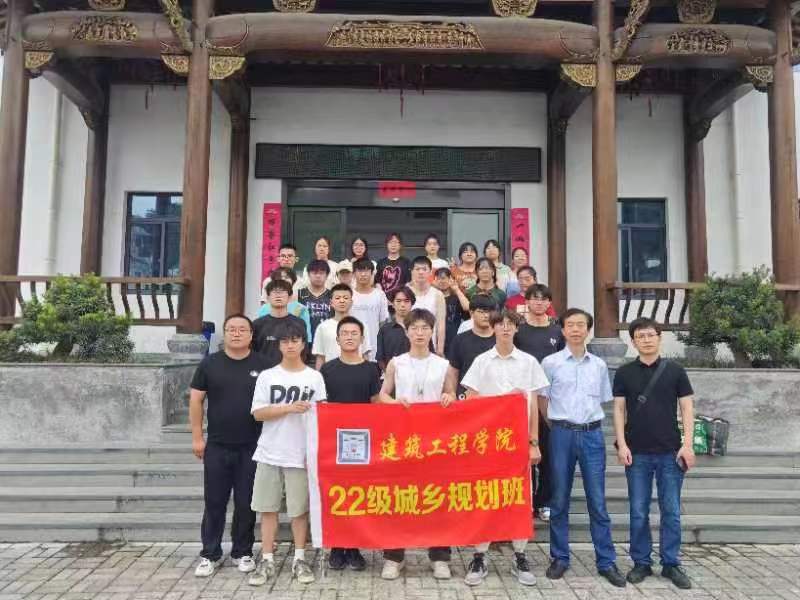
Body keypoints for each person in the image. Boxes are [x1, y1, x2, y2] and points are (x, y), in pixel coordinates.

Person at [460, 309, 549, 587]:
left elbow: (533, 406)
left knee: (520, 497)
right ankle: (479, 556)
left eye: (511, 324)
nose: (506, 329)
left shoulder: (529, 362)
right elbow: (471, 400)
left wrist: (533, 442)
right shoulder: (482, 361)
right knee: (485, 496)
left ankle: (520, 555)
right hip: (487, 442)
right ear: (494, 328)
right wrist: (502, 401)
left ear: (517, 329)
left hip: (518, 441)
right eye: (501, 325)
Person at [540, 308, 626, 587]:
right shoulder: (550, 363)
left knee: (597, 500)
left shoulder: (598, 365)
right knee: (559, 499)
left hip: (592, 435)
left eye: (581, 325)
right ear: (563, 330)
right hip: (561, 434)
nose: (576, 330)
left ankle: (606, 561)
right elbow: (542, 400)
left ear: (588, 330)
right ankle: (560, 557)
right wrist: (557, 425)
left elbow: (601, 400)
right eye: (571, 325)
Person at [613, 317, 695, 590]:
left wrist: (687, 444)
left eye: (650, 335)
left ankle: (670, 563)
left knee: (671, 511)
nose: (646, 340)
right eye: (640, 336)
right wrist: (622, 444)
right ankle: (641, 562)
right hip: (637, 453)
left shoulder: (675, 371)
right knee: (638, 511)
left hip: (670, 452)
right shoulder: (624, 373)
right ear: (633, 341)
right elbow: (619, 410)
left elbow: (687, 408)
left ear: (659, 337)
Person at [377, 308, 457, 581]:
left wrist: (449, 398)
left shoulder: (442, 364)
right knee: (399, 497)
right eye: (415, 328)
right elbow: (383, 395)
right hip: (404, 439)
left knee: (437, 498)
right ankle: (394, 556)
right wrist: (395, 402)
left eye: (425, 328)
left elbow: (451, 393)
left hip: (435, 440)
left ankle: (440, 557)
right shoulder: (396, 363)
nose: (420, 333)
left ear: (432, 331)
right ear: (407, 331)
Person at [190, 314, 271, 578]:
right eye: (231, 329)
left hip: (253, 446)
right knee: (214, 501)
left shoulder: (264, 365)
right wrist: (197, 437)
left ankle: (242, 552)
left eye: (242, 330)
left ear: (251, 335)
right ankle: (210, 553)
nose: (236, 333)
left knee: (246, 502)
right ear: (224, 333)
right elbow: (196, 400)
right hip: (217, 445)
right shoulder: (210, 364)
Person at [248, 319, 326, 587]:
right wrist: (289, 408)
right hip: (269, 451)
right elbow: (258, 413)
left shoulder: (314, 377)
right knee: (267, 508)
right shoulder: (268, 376)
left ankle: (300, 558)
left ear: (303, 344)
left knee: (299, 510)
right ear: (279, 345)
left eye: (295, 340)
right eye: (285, 341)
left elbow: (322, 415)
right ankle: (267, 558)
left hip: (301, 454)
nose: (290, 345)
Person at [320, 316, 382, 571]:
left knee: (358, 494)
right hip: (334, 442)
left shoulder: (371, 369)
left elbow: (376, 403)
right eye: (344, 333)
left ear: (362, 338)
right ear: (337, 339)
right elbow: (322, 405)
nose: (349, 337)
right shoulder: (327, 370)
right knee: (336, 493)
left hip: (362, 442)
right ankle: (336, 546)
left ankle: (354, 547)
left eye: (354, 333)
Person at [514, 284, 565, 522]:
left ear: (549, 303)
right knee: (523, 456)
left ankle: (544, 501)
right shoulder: (519, 331)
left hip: (549, 400)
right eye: (534, 298)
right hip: (522, 400)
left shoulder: (557, 331)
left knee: (547, 455)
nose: (539, 302)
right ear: (526, 302)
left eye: (543, 299)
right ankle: (526, 501)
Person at [448, 294, 497, 396]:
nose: (486, 315)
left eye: (489, 311)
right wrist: (451, 393)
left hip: (494, 396)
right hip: (466, 396)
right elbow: (453, 371)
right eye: (481, 312)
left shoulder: (501, 339)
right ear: (471, 313)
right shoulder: (460, 340)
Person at [312, 283, 371, 368]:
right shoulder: (323, 327)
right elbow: (320, 357)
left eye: (346, 298)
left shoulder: (361, 325)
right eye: (337, 298)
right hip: (331, 373)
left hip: (357, 371)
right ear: (331, 303)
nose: (342, 301)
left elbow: (365, 354)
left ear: (351, 302)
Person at [253, 279, 308, 368]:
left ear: (289, 297)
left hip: (290, 371)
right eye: (274, 292)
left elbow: (303, 351)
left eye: (282, 292)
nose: (278, 295)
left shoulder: (299, 323)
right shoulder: (257, 324)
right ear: (268, 297)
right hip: (264, 372)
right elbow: (253, 352)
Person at [350, 258, 390, 361]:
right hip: (352, 348)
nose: (363, 274)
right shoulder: (348, 295)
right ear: (353, 274)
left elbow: (383, 323)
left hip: (375, 348)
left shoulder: (380, 295)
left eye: (366, 271)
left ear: (372, 273)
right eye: (360, 271)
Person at [257, 268, 312, 342]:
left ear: (293, 280)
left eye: (286, 277)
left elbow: (307, 337)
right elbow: (260, 334)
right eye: (279, 277)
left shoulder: (301, 309)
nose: (283, 279)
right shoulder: (264, 308)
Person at [407, 256, 446, 356]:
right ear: (412, 271)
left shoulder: (438, 294)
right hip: (407, 346)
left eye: (424, 269)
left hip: (430, 347)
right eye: (417, 269)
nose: (421, 272)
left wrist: (440, 349)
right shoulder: (405, 292)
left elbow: (441, 324)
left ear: (430, 272)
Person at [375, 286, 417, 371]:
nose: (402, 305)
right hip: (392, 375)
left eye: (406, 301)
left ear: (412, 304)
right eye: (398, 301)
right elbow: (380, 359)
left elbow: (429, 354)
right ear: (393, 304)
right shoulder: (385, 330)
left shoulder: (420, 328)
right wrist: (390, 374)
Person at [433, 267, 467, 358]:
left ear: (450, 279)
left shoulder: (456, 298)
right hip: (435, 337)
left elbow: (467, 307)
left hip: (453, 338)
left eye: (444, 278)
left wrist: (456, 289)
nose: (442, 281)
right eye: (439, 278)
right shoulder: (432, 298)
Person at [297, 260, 333, 343]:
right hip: (305, 341)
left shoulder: (332, 295)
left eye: (321, 273)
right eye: (314, 273)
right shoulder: (300, 294)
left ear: (327, 275)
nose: (318, 276)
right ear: (308, 274)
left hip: (327, 340)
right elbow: (294, 318)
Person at [375, 232, 412, 297]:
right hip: (383, 298)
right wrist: (383, 296)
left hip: (401, 298)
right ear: (386, 244)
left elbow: (408, 282)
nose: (393, 245)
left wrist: (402, 296)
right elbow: (377, 282)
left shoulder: (406, 262)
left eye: (396, 242)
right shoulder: (381, 262)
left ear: (400, 245)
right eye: (390, 242)